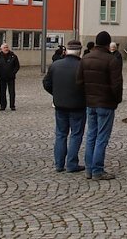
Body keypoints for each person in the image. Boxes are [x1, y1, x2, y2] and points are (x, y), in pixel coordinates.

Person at [77, 30, 123, 180]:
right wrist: (116, 100)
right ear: (108, 44)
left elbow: (79, 82)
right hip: (106, 103)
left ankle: (89, 169)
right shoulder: (111, 60)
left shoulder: (85, 59)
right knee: (102, 137)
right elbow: (116, 85)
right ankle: (97, 169)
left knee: (91, 135)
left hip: (90, 103)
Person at [44, 39, 87, 173]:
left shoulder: (55, 65)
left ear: (67, 50)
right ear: (79, 51)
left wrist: (56, 94)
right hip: (78, 105)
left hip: (60, 105)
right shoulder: (82, 66)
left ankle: (59, 164)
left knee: (61, 134)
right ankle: (71, 163)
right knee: (76, 134)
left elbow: (46, 83)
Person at [0, 42, 20, 111]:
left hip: (11, 77)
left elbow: (17, 66)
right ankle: (3, 106)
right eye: (4, 47)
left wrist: (13, 73)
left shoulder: (13, 56)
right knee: (2, 92)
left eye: (7, 47)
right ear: (1, 49)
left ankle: (12, 105)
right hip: (2, 77)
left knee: (12, 92)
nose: (6, 49)